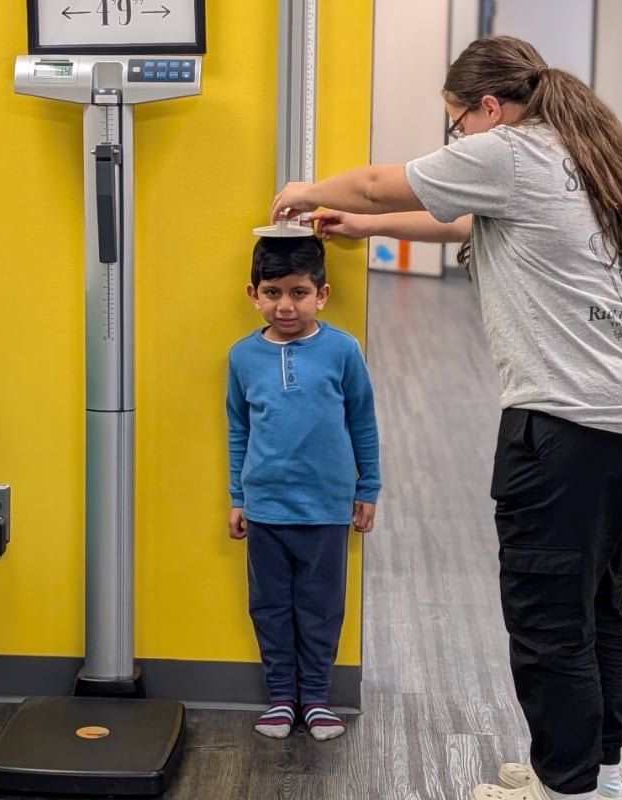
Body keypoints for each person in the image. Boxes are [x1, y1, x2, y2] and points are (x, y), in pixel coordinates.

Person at [272, 34, 622, 800]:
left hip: (576, 422)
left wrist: (304, 188)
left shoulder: (508, 151)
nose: (456, 136)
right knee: (594, 597)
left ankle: (565, 786)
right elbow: (478, 225)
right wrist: (372, 230)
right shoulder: (573, 148)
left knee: (547, 611)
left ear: (488, 107)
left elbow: (372, 180)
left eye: (457, 121)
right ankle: (596, 770)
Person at [226, 233, 381, 741]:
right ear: (253, 294)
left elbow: (362, 420)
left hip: (326, 509)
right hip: (266, 507)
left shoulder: (342, 350)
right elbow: (238, 430)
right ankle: (280, 699)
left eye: (298, 292)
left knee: (320, 606)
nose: (285, 305)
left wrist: (368, 487)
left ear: (322, 294)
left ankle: (316, 698)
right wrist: (238, 497)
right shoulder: (241, 357)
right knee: (269, 606)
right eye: (272, 292)